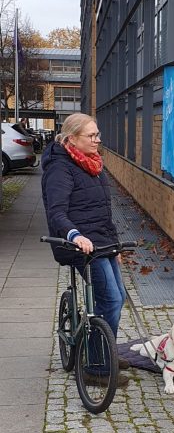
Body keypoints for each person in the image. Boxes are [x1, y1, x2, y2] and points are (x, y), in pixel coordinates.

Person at [41, 113, 128, 380]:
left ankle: (103, 350)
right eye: (91, 136)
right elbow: (56, 212)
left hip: (102, 242)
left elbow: (103, 212)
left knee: (119, 297)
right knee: (110, 299)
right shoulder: (60, 168)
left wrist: (116, 246)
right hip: (77, 244)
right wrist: (74, 234)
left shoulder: (93, 164)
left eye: (97, 134)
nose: (97, 140)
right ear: (71, 139)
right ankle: (97, 366)